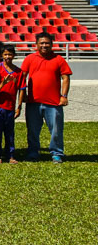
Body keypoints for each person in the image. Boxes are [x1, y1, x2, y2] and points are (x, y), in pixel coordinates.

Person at [19, 32, 72, 163]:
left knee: (56, 130)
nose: (44, 45)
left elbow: (65, 77)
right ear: (36, 44)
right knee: (32, 130)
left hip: (53, 103)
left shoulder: (59, 59)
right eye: (41, 43)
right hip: (33, 102)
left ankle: (57, 153)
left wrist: (64, 96)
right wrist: (23, 94)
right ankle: (33, 152)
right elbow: (22, 76)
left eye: (47, 43)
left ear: (52, 44)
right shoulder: (30, 59)